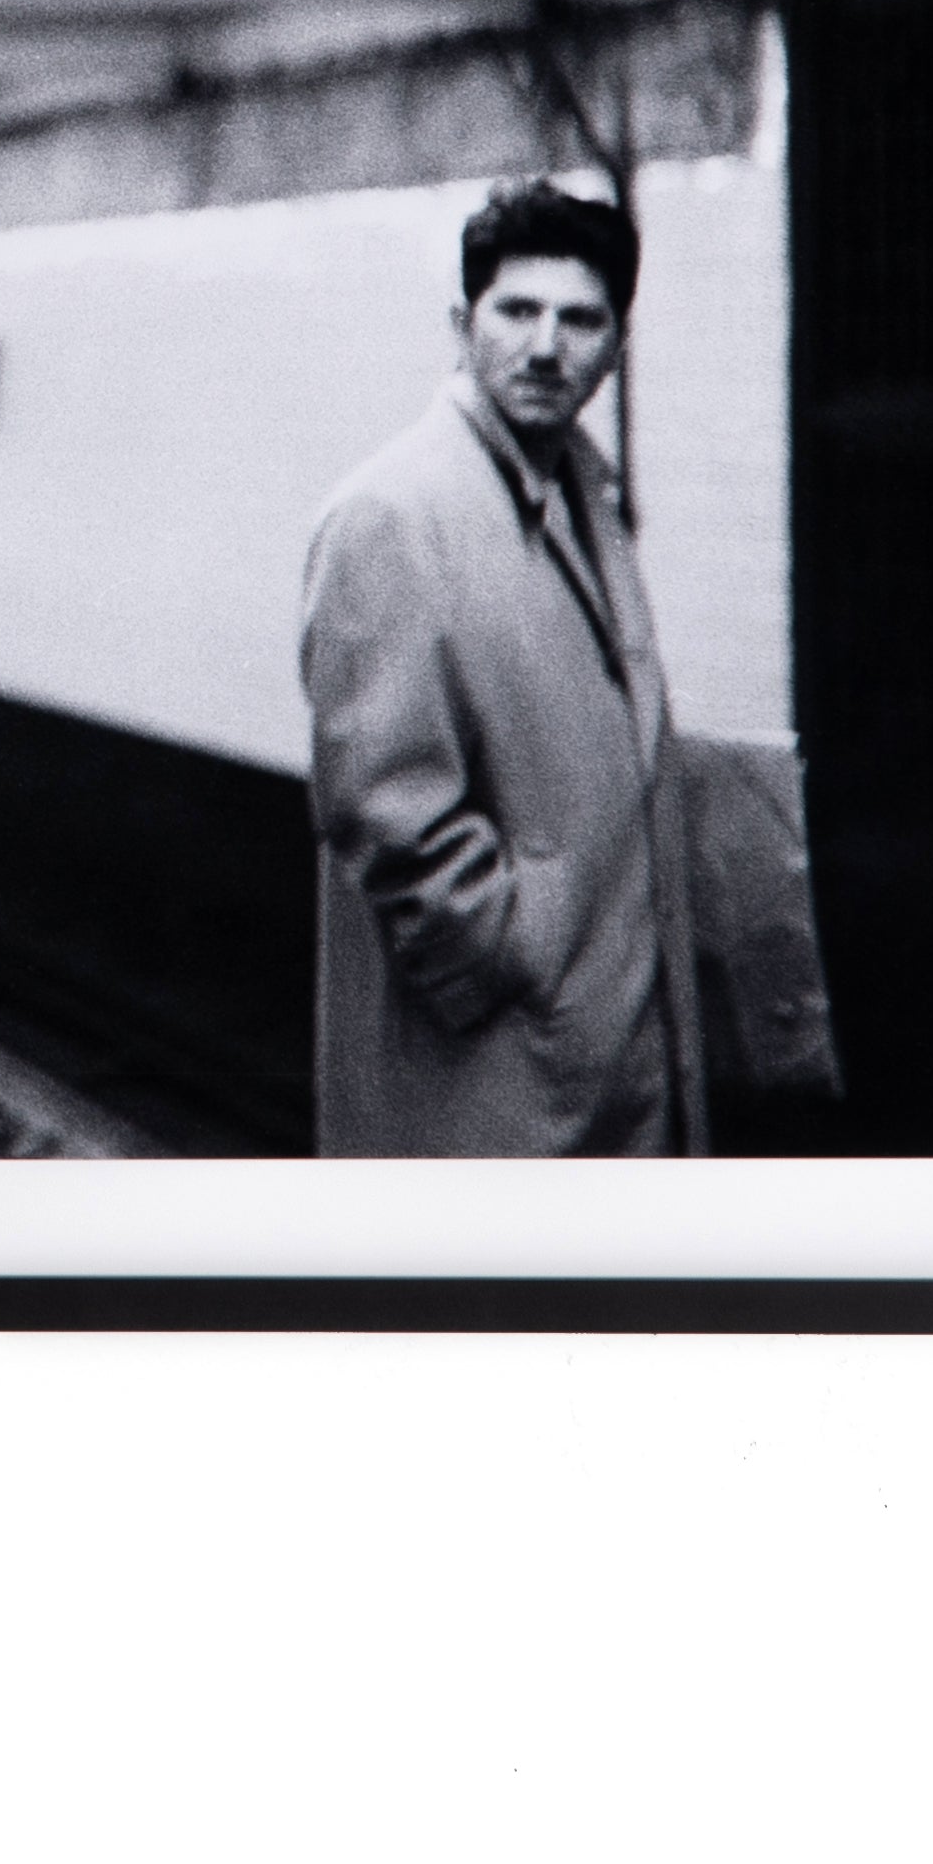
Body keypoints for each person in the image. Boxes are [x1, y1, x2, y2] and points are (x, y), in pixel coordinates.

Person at [297, 179, 707, 1158]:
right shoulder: (390, 517)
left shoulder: (581, 492)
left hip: (605, 1058)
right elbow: (384, 807)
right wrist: (521, 968)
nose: (543, 345)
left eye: (579, 319)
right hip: (503, 1082)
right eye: (515, 310)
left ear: (615, 345)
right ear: (460, 323)